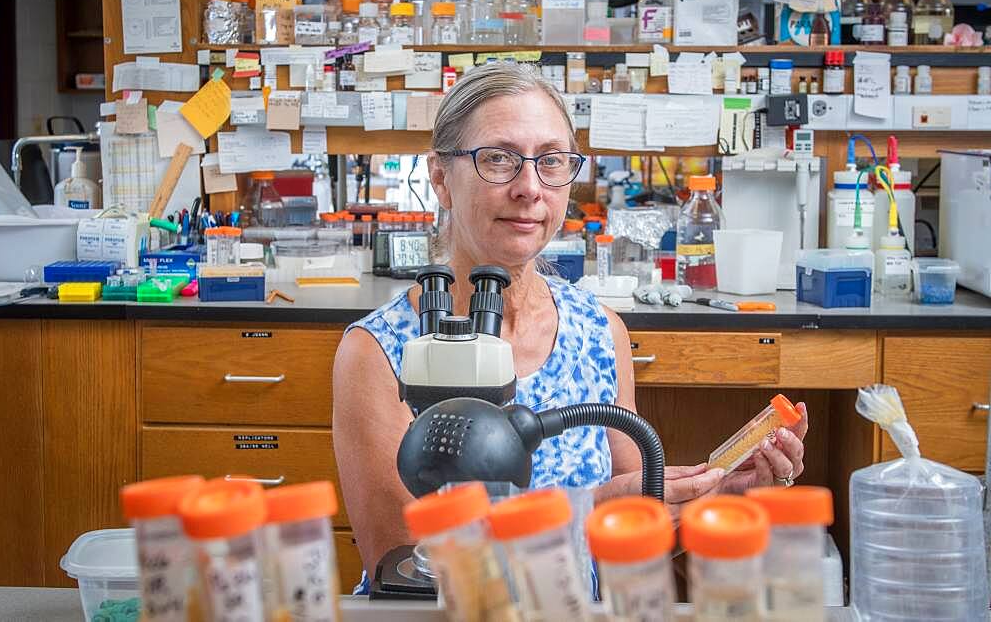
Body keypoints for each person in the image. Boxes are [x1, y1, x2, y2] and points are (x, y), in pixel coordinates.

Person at [332, 62, 808, 588]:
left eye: (551, 162)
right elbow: (401, 563)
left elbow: (639, 537)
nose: (530, 188)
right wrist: (589, 508)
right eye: (499, 159)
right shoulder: (380, 351)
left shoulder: (599, 332)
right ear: (440, 179)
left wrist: (717, 497)